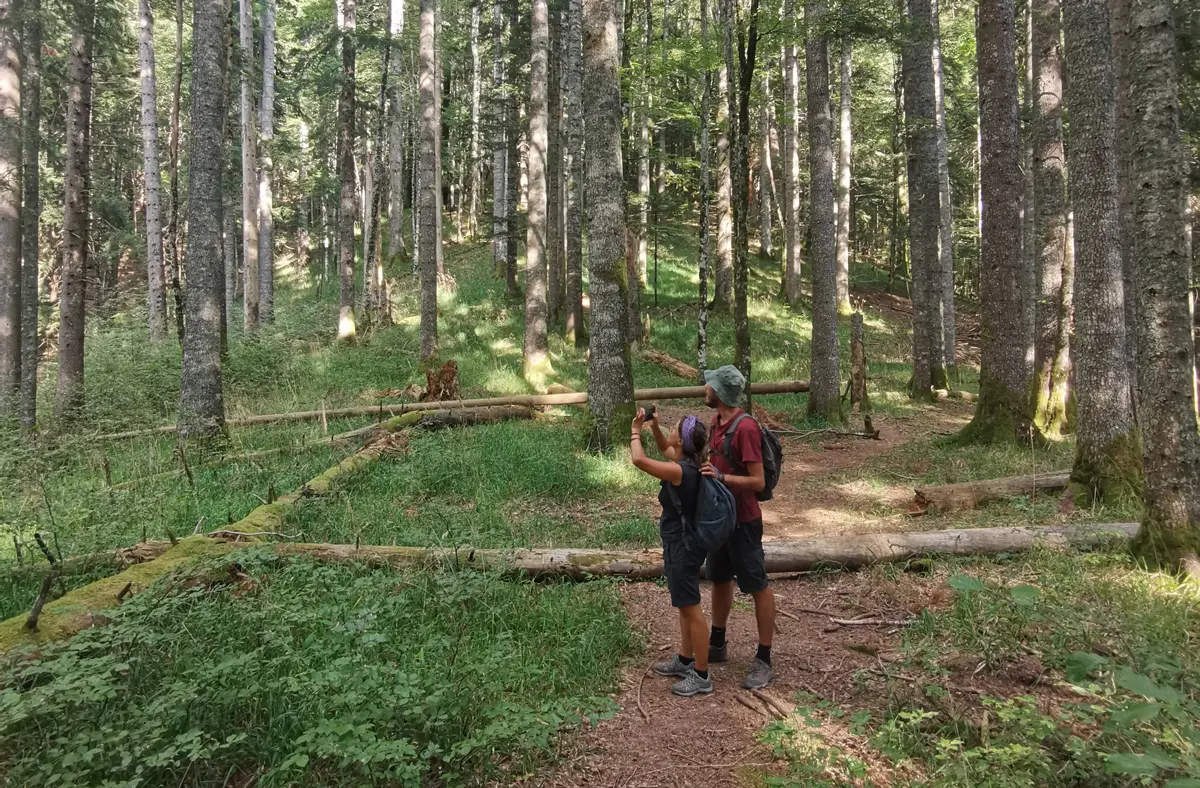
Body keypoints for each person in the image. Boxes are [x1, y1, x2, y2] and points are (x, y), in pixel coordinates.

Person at [700, 364, 777, 689]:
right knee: (719, 579)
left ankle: (764, 659)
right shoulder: (716, 423)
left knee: (757, 585)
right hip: (720, 520)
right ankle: (717, 644)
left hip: (744, 522)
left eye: (710, 385)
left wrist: (722, 477)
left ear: (719, 392)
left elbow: (758, 481)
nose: (705, 389)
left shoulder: (745, 428)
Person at [630, 407, 714, 696]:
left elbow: (639, 460)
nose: (671, 431)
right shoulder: (688, 461)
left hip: (684, 547)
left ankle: (701, 675)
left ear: (682, 440)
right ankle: (685, 660)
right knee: (685, 605)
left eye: (674, 428)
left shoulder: (681, 471)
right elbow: (665, 447)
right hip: (682, 543)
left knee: (691, 609)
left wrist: (635, 431)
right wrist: (654, 427)